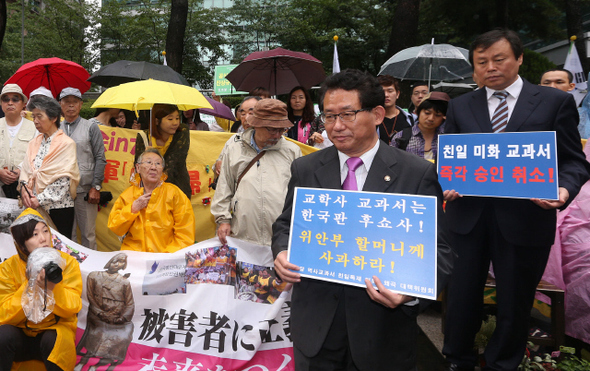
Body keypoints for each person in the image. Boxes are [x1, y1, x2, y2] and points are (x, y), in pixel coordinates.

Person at [271, 69, 454, 370]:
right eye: (329, 116)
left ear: (378, 114)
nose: (337, 126)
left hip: (382, 333)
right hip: (316, 331)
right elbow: (286, 225)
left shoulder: (415, 173)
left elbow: (442, 251)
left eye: (348, 114)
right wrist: (280, 251)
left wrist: (410, 294)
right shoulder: (306, 168)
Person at [441, 29, 590, 371]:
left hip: (526, 219)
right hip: (467, 220)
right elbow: (448, 160)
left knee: (515, 300)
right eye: (482, 62)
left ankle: (502, 363)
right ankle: (457, 359)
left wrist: (563, 190)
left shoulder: (554, 101)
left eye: (499, 59)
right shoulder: (460, 106)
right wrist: (445, 182)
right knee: (461, 296)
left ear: (519, 58)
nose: (490, 67)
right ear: (474, 68)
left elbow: (572, 161)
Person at [0, 208, 83, 371]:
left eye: (45, 231)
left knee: (53, 339)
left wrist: (53, 289)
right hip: (21, 335)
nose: (43, 238)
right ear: (21, 242)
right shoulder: (8, 268)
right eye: (34, 234)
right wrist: (30, 285)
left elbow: (73, 307)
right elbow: (3, 314)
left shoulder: (66, 263)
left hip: (52, 334)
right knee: (3, 335)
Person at [211, 99, 302, 247]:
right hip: (243, 234)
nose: (277, 134)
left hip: (281, 237)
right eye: (272, 129)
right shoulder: (235, 148)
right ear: (256, 124)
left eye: (281, 129)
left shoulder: (292, 151)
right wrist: (223, 220)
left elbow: (298, 193)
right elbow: (224, 186)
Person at [108, 148, 195, 253]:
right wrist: (133, 208)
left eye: (158, 164)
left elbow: (185, 232)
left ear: (162, 169)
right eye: (149, 162)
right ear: (138, 167)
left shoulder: (174, 193)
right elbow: (115, 227)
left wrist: (168, 256)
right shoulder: (128, 195)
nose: (153, 167)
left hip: (165, 256)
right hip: (134, 255)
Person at [19, 95, 80, 237]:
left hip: (58, 207)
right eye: (33, 117)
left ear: (53, 118)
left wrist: (38, 200)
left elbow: (64, 180)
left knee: (58, 248)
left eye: (39, 116)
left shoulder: (66, 144)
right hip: (32, 203)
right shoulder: (34, 142)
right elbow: (26, 170)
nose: (35, 121)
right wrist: (24, 189)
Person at [59, 87, 106, 251]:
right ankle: (70, 269)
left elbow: (100, 157)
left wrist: (96, 186)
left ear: (80, 105)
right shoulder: (55, 128)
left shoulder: (91, 127)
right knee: (65, 235)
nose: (70, 106)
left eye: (74, 102)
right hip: (61, 191)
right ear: (60, 105)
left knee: (88, 234)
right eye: (66, 102)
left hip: (85, 189)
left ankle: (90, 273)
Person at [75, 253, 134, 371]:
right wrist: (99, 312)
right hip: (97, 315)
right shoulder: (94, 275)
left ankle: (106, 363)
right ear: (110, 261)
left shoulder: (124, 282)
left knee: (125, 333)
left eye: (122, 262)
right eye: (116, 261)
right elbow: (90, 296)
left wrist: (121, 318)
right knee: (100, 331)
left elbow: (130, 303)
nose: (118, 264)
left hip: (117, 317)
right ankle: (85, 360)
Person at [134, 104, 191, 199]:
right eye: (170, 119)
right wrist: (145, 156)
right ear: (156, 121)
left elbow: (174, 162)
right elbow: (138, 166)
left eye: (177, 118)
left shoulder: (182, 132)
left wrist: (154, 155)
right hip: (149, 192)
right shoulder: (143, 136)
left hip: (177, 188)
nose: (175, 123)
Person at [391, 91, 449, 162]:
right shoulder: (401, 137)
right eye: (427, 113)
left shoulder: (448, 139)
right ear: (418, 112)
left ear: (444, 118)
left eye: (437, 115)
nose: (431, 118)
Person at [0, 84, 36, 199]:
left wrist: (21, 170)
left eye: (15, 99)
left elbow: (39, 155)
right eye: (6, 99)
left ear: (23, 104)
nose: (10, 103)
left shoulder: (35, 128)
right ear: (1, 103)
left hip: (26, 189)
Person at [213, 96, 262, 177]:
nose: (246, 118)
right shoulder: (233, 141)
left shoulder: (278, 144)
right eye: (243, 114)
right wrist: (217, 165)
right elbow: (218, 169)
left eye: (251, 113)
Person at [376, 75, 414, 144]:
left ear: (397, 94)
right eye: (382, 91)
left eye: (390, 91)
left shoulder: (411, 119)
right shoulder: (371, 120)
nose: (386, 95)